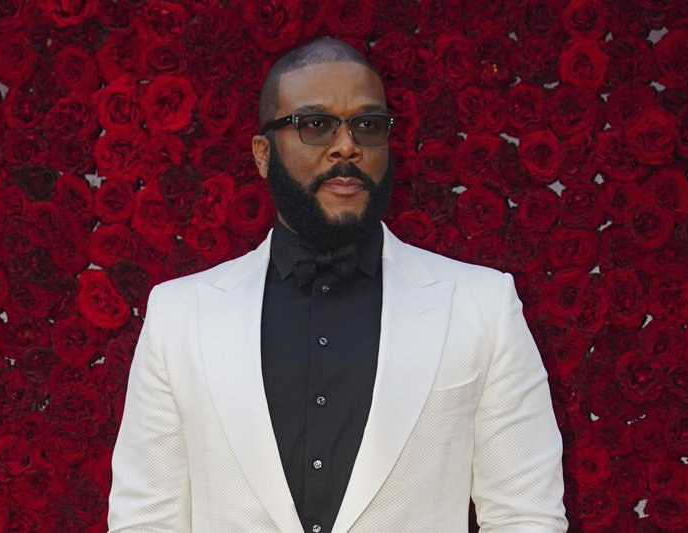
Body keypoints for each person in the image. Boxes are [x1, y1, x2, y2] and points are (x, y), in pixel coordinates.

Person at [108, 38, 567, 533]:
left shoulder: (483, 306)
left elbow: (526, 516)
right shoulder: (179, 315)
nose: (346, 145)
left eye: (367, 126)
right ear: (263, 154)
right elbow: (146, 519)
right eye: (315, 125)